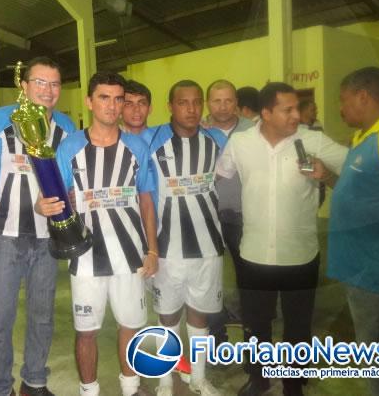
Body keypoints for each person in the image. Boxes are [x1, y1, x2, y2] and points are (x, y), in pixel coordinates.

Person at [216, 82, 347, 396]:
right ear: (266, 113)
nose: (296, 115)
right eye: (287, 109)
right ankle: (258, 378)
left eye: (297, 108)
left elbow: (356, 172)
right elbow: (222, 174)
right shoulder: (241, 142)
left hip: (299, 254)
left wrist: (325, 175)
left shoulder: (312, 140)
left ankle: (292, 383)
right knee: (256, 324)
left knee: (298, 326)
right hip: (254, 253)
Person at [38, 72, 158, 396]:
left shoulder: (136, 147)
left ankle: (130, 388)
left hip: (131, 254)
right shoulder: (69, 148)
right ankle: (88, 391)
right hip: (85, 256)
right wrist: (43, 206)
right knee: (86, 331)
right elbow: (54, 197)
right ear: (89, 102)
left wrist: (153, 250)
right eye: (104, 97)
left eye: (118, 98)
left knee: (130, 327)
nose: (113, 105)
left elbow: (147, 200)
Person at [0, 57, 76, 396]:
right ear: (24, 85)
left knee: (43, 316)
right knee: (0, 320)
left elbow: (74, 178)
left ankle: (34, 382)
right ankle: (1, 387)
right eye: (40, 82)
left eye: (55, 84)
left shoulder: (67, 128)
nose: (48, 91)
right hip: (2, 238)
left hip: (48, 239)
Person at [149, 80, 225, 396]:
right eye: (184, 102)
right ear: (171, 106)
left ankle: (198, 377)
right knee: (168, 316)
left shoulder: (216, 140)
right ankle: (166, 379)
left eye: (197, 102)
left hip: (209, 246)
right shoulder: (151, 143)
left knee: (199, 314)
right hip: (167, 248)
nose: (192, 109)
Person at [327, 66, 379, 396]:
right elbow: (363, 191)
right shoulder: (364, 136)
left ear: (363, 97)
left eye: (344, 100)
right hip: (360, 270)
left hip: (378, 273)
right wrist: (326, 179)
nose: (341, 108)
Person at [205, 80, 254, 343]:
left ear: (236, 102)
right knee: (211, 281)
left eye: (228, 100)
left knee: (248, 279)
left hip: (243, 217)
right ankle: (217, 338)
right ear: (208, 103)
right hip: (208, 217)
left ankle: (252, 340)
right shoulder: (198, 131)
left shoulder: (253, 131)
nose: (222, 106)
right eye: (216, 100)